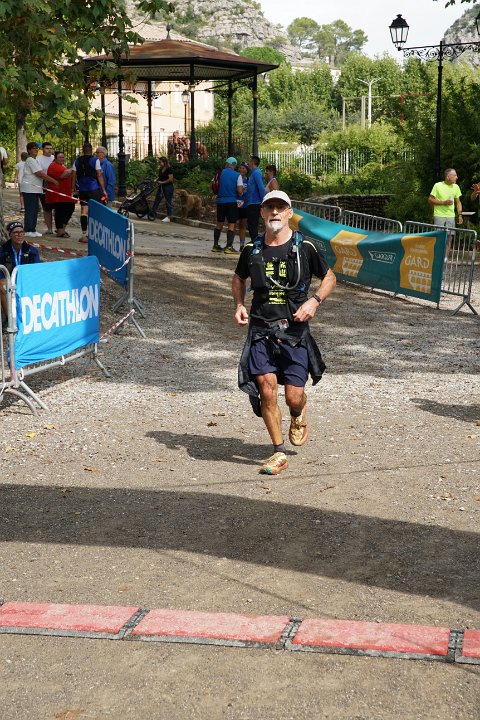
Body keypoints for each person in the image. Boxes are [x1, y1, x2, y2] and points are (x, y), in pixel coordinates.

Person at [232, 190, 336, 476]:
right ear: (262, 213)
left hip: (294, 333)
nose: (275, 212)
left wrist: (314, 302)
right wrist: (239, 304)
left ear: (290, 213)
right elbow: (239, 278)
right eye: (270, 208)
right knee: (266, 389)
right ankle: (278, 452)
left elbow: (329, 277)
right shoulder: (252, 249)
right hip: (260, 329)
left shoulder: (305, 248)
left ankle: (298, 411)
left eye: (281, 208)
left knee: (292, 396)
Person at [0, 221, 41, 324]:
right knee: (1, 284)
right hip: (10, 282)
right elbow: (1, 275)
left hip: (27, 281)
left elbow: (37, 271)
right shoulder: (3, 251)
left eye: (22, 232)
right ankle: (10, 320)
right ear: (10, 234)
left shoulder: (32, 251)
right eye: (16, 232)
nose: (19, 235)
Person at [20, 141, 59, 238]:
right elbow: (40, 173)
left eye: (37, 148)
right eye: (34, 148)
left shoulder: (34, 160)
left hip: (35, 189)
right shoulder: (30, 160)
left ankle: (32, 229)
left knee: (35, 210)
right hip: (29, 188)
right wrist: (53, 180)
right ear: (29, 150)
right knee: (30, 210)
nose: (36, 150)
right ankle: (28, 229)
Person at [72, 142, 106, 243]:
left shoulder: (77, 161)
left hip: (83, 190)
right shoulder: (95, 160)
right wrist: (103, 189)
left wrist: (73, 188)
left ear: (83, 150)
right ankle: (94, 234)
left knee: (84, 211)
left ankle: (83, 235)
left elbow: (73, 176)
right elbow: (99, 175)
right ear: (91, 150)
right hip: (93, 189)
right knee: (95, 211)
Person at [428, 168, 463, 256]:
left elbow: (458, 202)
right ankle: (437, 256)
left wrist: (460, 215)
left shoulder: (456, 187)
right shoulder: (437, 185)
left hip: (451, 216)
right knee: (438, 237)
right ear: (448, 177)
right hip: (439, 215)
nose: (457, 177)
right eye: (454, 175)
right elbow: (430, 200)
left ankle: (445, 258)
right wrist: (443, 202)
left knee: (449, 237)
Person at [212, 157, 242, 254]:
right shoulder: (238, 175)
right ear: (234, 165)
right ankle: (229, 247)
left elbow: (213, 185)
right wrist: (240, 193)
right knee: (231, 224)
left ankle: (215, 245)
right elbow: (240, 191)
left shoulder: (220, 173)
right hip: (231, 202)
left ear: (227, 164)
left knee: (219, 223)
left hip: (221, 201)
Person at [46, 151, 76, 238]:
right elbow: (64, 175)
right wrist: (73, 168)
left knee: (70, 207)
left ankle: (62, 228)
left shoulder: (62, 166)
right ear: (55, 158)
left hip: (65, 193)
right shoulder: (53, 166)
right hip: (58, 194)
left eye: (63, 157)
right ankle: (60, 230)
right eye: (60, 157)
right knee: (60, 211)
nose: (62, 159)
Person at [246, 155, 265, 243]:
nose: (248, 163)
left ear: (252, 163)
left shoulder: (257, 173)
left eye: (249, 161)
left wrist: (263, 201)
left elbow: (261, 188)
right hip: (251, 202)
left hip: (255, 202)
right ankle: (254, 240)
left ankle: (255, 242)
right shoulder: (253, 173)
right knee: (251, 224)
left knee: (252, 224)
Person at [37, 141, 55, 235]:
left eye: (50, 148)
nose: (49, 150)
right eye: (47, 148)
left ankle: (59, 227)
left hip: (56, 184)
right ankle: (49, 228)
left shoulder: (54, 158)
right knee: (47, 207)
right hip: (44, 184)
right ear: (43, 149)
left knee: (57, 206)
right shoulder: (38, 159)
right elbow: (39, 173)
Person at [149, 156, 174, 222]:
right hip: (161, 187)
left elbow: (170, 179)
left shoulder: (169, 169)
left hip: (168, 187)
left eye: (160, 162)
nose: (159, 163)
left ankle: (169, 217)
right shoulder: (160, 169)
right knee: (157, 199)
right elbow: (160, 176)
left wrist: (162, 182)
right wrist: (156, 180)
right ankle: (152, 213)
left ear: (164, 162)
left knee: (168, 201)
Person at [237, 161, 249, 252]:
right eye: (240, 168)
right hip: (235, 204)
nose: (242, 170)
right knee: (232, 224)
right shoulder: (236, 178)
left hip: (245, 205)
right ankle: (229, 244)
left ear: (247, 170)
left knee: (242, 225)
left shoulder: (248, 180)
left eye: (244, 168)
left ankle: (242, 245)